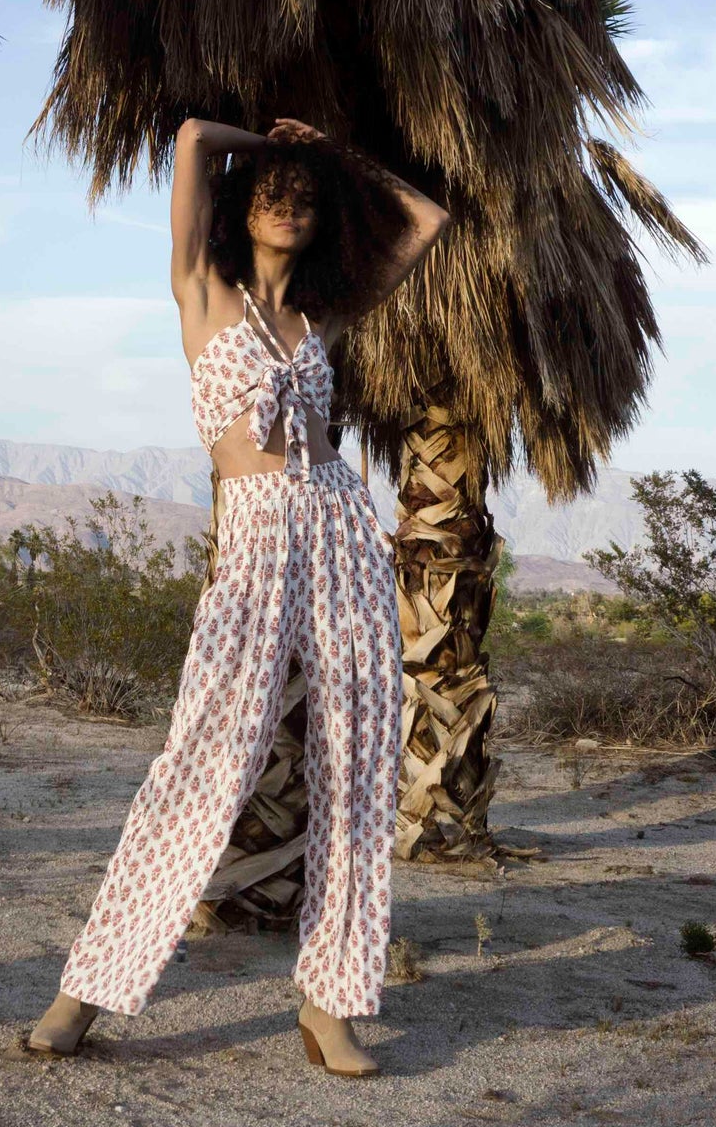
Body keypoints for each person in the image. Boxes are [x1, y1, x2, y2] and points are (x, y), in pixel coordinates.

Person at [28, 117, 449, 1077]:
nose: (284, 203)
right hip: (254, 531)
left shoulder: (322, 319)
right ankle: (83, 993)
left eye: (302, 195)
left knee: (359, 757)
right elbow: (184, 140)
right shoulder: (200, 293)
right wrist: (260, 140)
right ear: (240, 203)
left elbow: (423, 219)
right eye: (268, 189)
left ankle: (330, 1004)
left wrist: (341, 153)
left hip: (339, 526)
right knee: (204, 755)